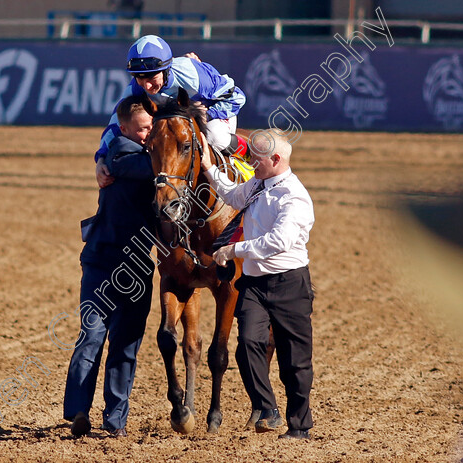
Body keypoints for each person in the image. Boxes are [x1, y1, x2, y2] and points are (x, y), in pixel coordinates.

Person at [203, 129, 316, 440]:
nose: (251, 162)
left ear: (276, 160)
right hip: (254, 282)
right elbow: (233, 194)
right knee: (248, 345)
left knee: (295, 360)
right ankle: (267, 408)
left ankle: (299, 425)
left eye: (257, 159)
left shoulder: (294, 197)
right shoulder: (258, 184)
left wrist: (232, 249)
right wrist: (209, 167)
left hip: (289, 284)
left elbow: (277, 242)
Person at [63, 94, 157, 438]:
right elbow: (151, 168)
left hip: (136, 267)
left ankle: (115, 421)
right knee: (92, 337)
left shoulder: (145, 156)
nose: (149, 133)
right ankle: (77, 412)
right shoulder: (118, 151)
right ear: (125, 128)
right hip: (102, 262)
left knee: (126, 345)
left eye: (151, 128)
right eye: (144, 128)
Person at [96, 34, 246, 188]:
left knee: (214, 137)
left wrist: (208, 114)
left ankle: (246, 153)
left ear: (166, 69)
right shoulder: (135, 88)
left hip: (216, 114)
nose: (146, 86)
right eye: (139, 77)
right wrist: (101, 158)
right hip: (180, 124)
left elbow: (237, 97)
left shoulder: (194, 76)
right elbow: (116, 122)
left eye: (151, 77)